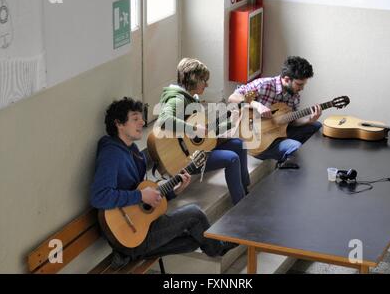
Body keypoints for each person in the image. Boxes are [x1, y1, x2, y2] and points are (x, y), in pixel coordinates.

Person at [90, 97, 236, 267]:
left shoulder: (132, 150)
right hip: (127, 234)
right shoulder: (111, 154)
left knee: (194, 240)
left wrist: (175, 191)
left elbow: (145, 201)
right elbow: (99, 197)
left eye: (142, 118)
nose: (142, 122)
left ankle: (131, 256)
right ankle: (218, 249)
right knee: (194, 214)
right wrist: (140, 196)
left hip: (139, 228)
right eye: (135, 119)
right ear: (119, 124)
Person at [157, 58, 250, 205]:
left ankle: (246, 191)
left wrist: (231, 122)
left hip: (196, 150)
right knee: (232, 158)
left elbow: (206, 134)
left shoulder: (192, 99)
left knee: (239, 144)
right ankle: (241, 205)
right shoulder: (177, 100)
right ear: (194, 80)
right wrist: (193, 129)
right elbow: (164, 120)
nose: (207, 84)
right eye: (204, 80)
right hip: (185, 158)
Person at [229, 56, 322, 169]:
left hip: (278, 133)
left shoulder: (295, 95)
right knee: (296, 147)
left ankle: (289, 159)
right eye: (299, 84)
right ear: (287, 79)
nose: (302, 88)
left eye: (303, 84)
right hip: (258, 140)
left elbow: (291, 122)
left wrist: (309, 119)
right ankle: (288, 158)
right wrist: (257, 105)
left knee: (316, 126)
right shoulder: (264, 84)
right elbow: (233, 97)